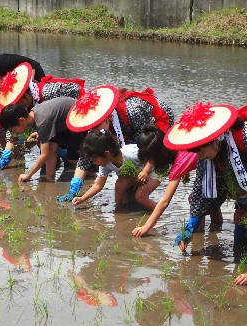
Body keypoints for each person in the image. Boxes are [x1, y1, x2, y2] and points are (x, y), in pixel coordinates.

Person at [57, 86, 174, 202]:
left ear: (107, 118)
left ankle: (140, 195)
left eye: (96, 126)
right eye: (91, 128)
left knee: (136, 161)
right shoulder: (97, 128)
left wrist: (145, 171)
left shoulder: (131, 112)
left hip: (156, 119)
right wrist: (74, 188)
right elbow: (86, 157)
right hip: (130, 128)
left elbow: (145, 145)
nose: (94, 132)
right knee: (121, 169)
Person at [163, 102, 246, 262]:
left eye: (200, 151)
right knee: (240, 250)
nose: (199, 156)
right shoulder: (207, 159)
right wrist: (189, 229)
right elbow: (201, 194)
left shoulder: (243, 136)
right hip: (243, 202)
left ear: (215, 141)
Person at [131, 124, 223, 237]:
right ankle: (217, 227)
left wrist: (146, 227)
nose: (151, 162)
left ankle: (199, 233)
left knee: (196, 199)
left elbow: (165, 201)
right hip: (212, 152)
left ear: (159, 156)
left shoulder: (179, 165)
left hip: (213, 158)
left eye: (152, 159)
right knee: (208, 196)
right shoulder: (173, 135)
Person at [0, 97, 87, 181]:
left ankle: (93, 175)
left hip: (80, 116)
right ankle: (50, 178)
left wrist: (28, 174)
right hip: (63, 121)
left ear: (21, 120)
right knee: (52, 148)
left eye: (14, 129)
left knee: (72, 158)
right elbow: (50, 152)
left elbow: (44, 154)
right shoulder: (34, 114)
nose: (16, 133)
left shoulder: (42, 122)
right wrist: (49, 181)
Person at [71, 131, 160, 211]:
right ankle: (121, 210)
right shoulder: (105, 164)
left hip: (155, 169)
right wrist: (82, 198)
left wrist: (145, 171)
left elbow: (152, 156)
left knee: (140, 197)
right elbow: (98, 185)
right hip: (137, 175)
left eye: (94, 159)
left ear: (107, 153)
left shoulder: (130, 153)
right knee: (119, 186)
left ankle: (160, 211)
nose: (93, 163)